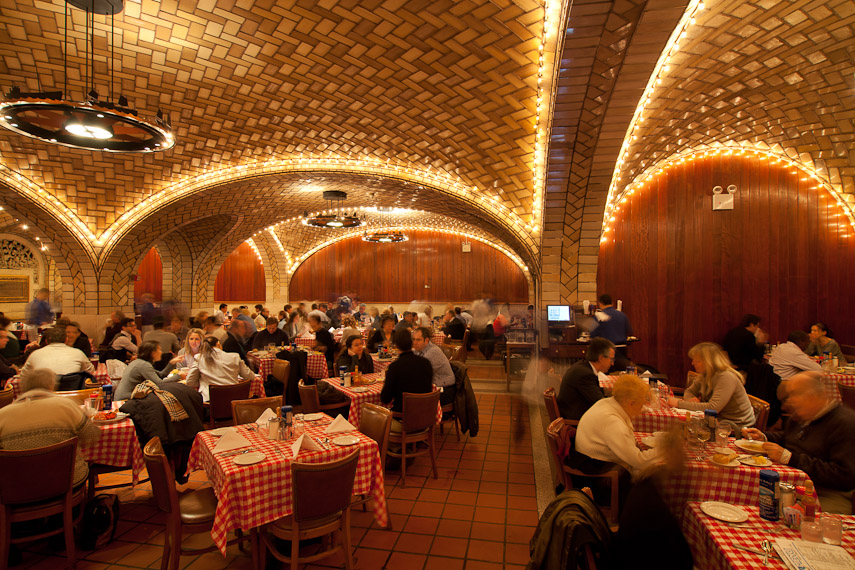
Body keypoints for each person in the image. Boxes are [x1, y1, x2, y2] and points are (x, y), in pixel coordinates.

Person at [742, 371, 855, 514]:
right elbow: (789, 438)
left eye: (794, 395)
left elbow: (844, 476)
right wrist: (764, 437)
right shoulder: (803, 415)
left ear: (814, 396)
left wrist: (789, 458)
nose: (787, 404)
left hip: (825, 494)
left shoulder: (845, 423)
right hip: (790, 483)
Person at [0, 368, 101, 487]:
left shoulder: (3, 415)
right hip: (66, 483)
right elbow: (92, 436)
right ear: (51, 386)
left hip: (15, 490)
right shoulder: (65, 406)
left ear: (23, 388)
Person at [572, 374, 662, 482]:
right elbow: (639, 461)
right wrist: (666, 448)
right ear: (631, 403)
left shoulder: (606, 403)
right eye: (641, 403)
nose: (642, 408)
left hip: (594, 465)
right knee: (656, 478)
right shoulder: (612, 421)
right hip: (597, 478)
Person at [667, 342, 755, 430]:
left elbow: (713, 408)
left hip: (736, 427)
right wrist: (691, 399)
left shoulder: (725, 377)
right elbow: (689, 391)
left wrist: (678, 403)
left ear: (709, 362)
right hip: (715, 421)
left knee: (678, 430)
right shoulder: (706, 375)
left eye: (697, 361)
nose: (693, 363)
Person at [380, 330, 433, 430]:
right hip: (426, 419)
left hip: (403, 422)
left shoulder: (395, 367)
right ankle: (414, 442)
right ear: (411, 343)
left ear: (396, 346)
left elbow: (385, 399)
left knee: (372, 419)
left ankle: (394, 445)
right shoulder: (426, 363)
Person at [557, 338, 614, 421]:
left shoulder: (583, 366)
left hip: (574, 414)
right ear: (601, 358)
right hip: (575, 422)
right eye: (611, 359)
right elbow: (600, 403)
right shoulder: (585, 374)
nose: (612, 363)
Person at [185, 337, 254, 402]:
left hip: (210, 400)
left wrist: (202, 381)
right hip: (234, 399)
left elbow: (190, 381)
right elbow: (250, 376)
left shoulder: (199, 358)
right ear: (218, 344)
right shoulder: (234, 356)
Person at [114, 340, 179, 400]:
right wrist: (179, 376)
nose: (161, 352)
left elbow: (161, 375)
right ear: (153, 353)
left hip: (125, 395)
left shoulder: (139, 362)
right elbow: (160, 384)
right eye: (159, 350)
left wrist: (172, 363)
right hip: (126, 398)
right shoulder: (143, 365)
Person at [20, 326, 94, 377]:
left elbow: (23, 375)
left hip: (43, 395)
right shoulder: (78, 353)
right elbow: (91, 371)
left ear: (46, 341)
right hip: (72, 395)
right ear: (66, 340)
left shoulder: (35, 354)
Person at [412, 327, 455, 405]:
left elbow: (418, 373)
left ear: (427, 340)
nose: (414, 342)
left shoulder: (432, 352)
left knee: (412, 398)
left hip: (444, 390)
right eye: (413, 339)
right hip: (433, 386)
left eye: (418, 340)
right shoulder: (419, 350)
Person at [590, 294, 633, 371]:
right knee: (621, 374)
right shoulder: (622, 315)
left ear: (600, 303)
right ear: (612, 303)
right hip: (622, 349)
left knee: (606, 373)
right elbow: (630, 331)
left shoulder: (599, 315)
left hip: (607, 351)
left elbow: (592, 334)